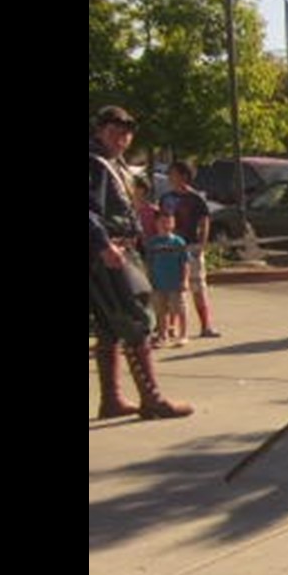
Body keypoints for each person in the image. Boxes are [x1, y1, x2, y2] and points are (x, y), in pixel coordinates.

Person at [89, 105, 193, 420]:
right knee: (136, 319)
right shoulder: (94, 164)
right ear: (99, 131)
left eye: (126, 133)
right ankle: (151, 399)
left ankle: (112, 400)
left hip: (114, 249)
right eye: (114, 132)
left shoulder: (110, 163)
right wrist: (103, 244)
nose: (121, 138)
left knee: (110, 327)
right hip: (108, 251)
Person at [157, 160, 221, 338]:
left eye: (173, 173)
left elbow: (204, 221)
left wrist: (202, 243)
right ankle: (171, 328)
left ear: (184, 176)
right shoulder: (166, 198)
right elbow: (161, 219)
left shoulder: (195, 198)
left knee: (198, 286)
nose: (170, 177)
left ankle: (206, 325)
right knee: (171, 287)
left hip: (191, 245)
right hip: (170, 246)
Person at [142, 209, 192, 347]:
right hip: (158, 283)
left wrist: (185, 280)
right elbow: (149, 263)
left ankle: (183, 335)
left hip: (176, 283)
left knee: (180, 309)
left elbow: (185, 263)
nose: (165, 224)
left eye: (169, 221)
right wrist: (149, 279)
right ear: (156, 223)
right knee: (160, 311)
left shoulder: (178, 242)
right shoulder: (152, 243)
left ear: (173, 223)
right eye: (162, 222)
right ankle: (162, 336)